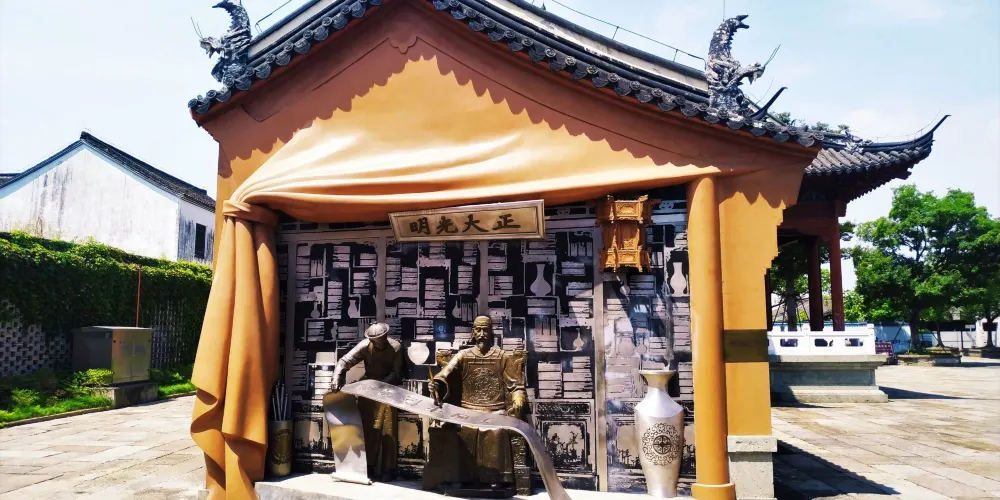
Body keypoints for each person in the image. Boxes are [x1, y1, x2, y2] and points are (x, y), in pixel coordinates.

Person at [427, 316, 527, 491]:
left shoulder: (502, 357)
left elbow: (516, 386)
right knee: (459, 429)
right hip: (467, 410)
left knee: (496, 431)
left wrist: (518, 398)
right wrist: (436, 384)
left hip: (495, 410)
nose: (481, 334)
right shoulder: (463, 355)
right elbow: (444, 375)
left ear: (491, 332)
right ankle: (458, 477)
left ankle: (494, 478)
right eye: (478, 330)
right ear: (473, 332)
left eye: (485, 330)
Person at [328, 322, 402, 481]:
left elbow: (396, 372)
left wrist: (380, 385)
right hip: (368, 389)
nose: (380, 342)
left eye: (382, 338)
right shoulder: (365, 346)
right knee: (368, 429)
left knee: (388, 431)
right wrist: (337, 376)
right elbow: (344, 361)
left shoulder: (396, 347)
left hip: (388, 389)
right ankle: (368, 466)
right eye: (376, 340)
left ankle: (389, 468)